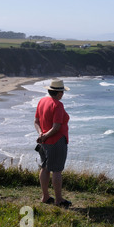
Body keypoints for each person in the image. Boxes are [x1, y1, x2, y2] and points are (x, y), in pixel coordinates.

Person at [34, 79, 72, 208]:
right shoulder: (58, 105)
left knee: (45, 168)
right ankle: (59, 199)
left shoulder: (42, 101)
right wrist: (45, 136)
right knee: (57, 170)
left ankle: (45, 196)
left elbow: (36, 121)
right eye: (62, 92)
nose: (63, 94)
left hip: (44, 142)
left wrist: (41, 134)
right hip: (56, 141)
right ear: (59, 93)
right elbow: (56, 127)